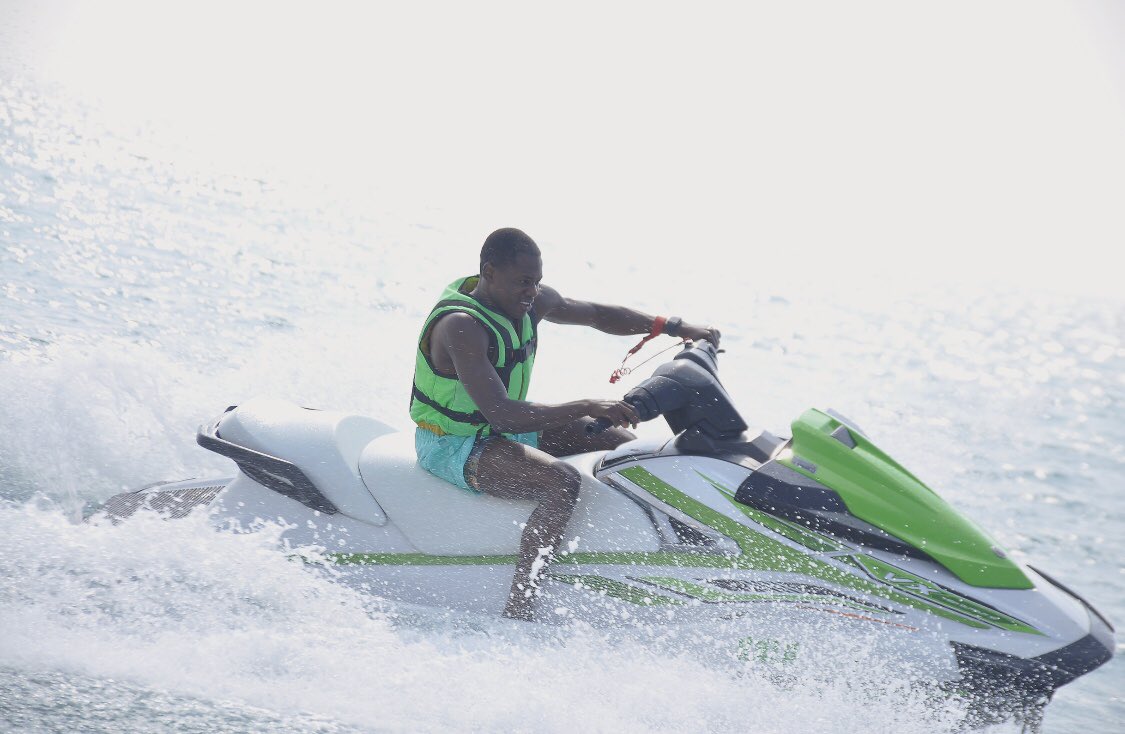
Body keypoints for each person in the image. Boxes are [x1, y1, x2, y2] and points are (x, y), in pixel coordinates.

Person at [409, 228, 720, 620]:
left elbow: (596, 315)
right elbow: (501, 413)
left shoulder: (527, 302)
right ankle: (520, 605)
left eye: (536, 282)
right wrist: (587, 404)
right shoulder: (461, 326)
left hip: (502, 429)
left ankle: (669, 555)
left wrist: (674, 327)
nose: (532, 292)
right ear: (490, 272)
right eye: (523, 282)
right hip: (454, 444)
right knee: (561, 482)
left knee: (618, 443)